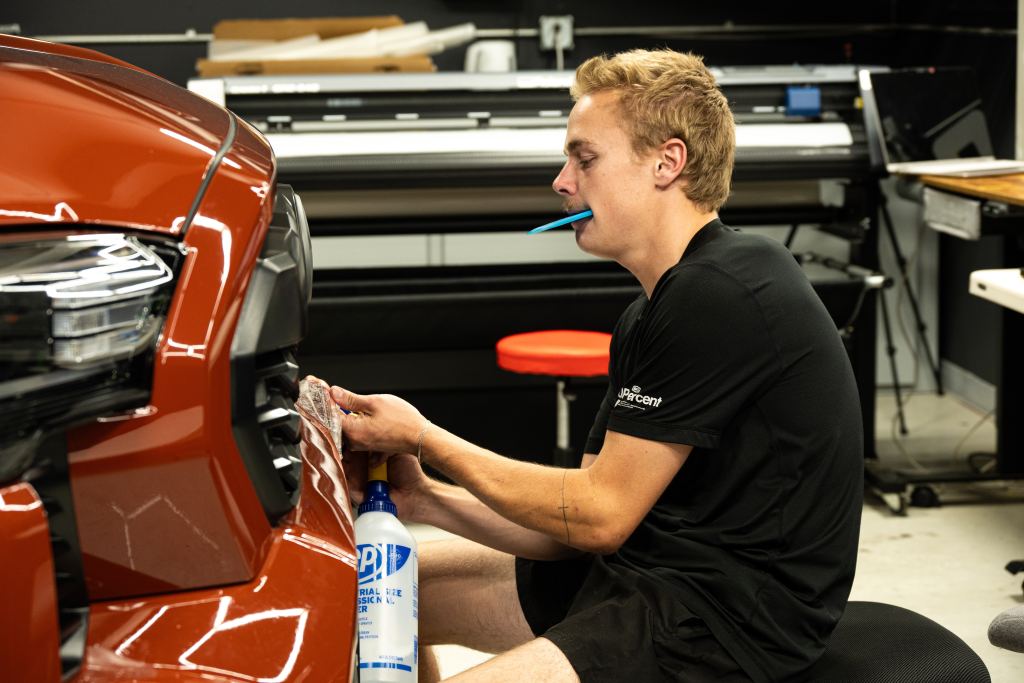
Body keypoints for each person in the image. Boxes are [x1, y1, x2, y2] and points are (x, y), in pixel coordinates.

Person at [332, 48, 863, 683]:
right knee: (379, 587)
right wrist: (427, 498)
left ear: (668, 162)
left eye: (585, 159)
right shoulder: (652, 310)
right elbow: (574, 527)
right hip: (647, 570)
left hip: (721, 620)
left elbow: (600, 515)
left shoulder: (722, 291)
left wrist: (424, 438)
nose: (562, 182)